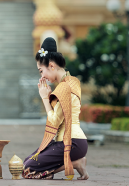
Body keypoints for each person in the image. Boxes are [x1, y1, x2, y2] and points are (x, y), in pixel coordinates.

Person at [22, 37, 89, 180]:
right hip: (73, 141)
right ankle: (73, 162)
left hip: (72, 142)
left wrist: (45, 98)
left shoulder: (65, 87)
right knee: (27, 161)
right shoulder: (72, 82)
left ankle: (75, 163)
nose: (42, 76)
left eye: (41, 71)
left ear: (51, 66)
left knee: (28, 169)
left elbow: (54, 120)